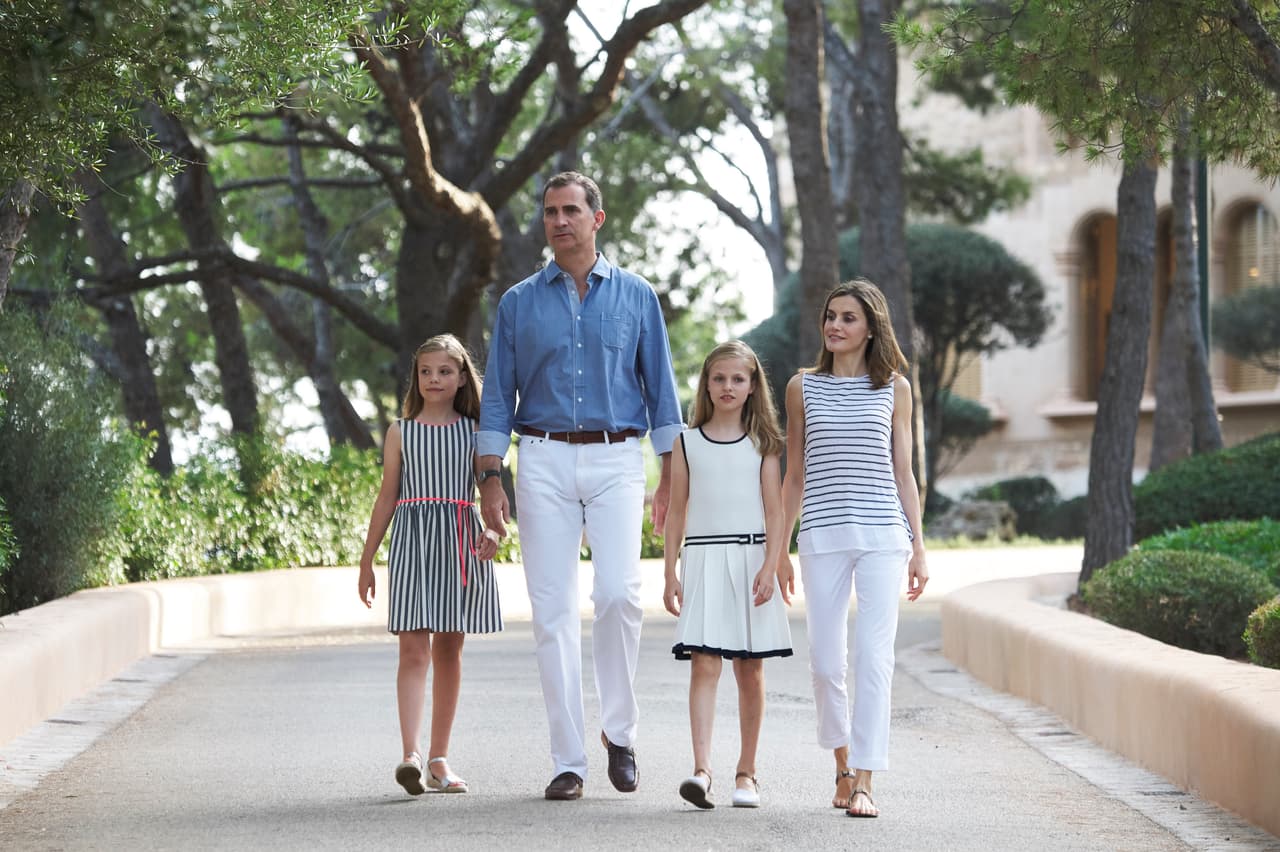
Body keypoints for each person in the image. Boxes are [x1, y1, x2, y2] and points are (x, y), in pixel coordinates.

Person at [477, 171, 684, 801]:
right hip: (540, 459)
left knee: (620, 595)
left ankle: (619, 734)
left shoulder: (637, 295)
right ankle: (569, 759)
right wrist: (491, 476)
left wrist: (669, 475)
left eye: (571, 210)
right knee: (553, 613)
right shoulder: (517, 302)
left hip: (619, 457)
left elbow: (663, 390)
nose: (559, 221)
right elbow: (495, 398)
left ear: (598, 218)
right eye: (549, 212)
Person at [777, 279, 929, 819]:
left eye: (848, 318)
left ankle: (866, 779)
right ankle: (840, 765)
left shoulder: (895, 389)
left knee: (873, 658)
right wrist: (779, 550)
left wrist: (919, 547)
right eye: (831, 316)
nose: (835, 326)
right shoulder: (802, 387)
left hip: (884, 537)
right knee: (824, 663)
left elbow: (904, 473)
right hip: (821, 536)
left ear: (871, 328)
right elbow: (793, 476)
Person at [359, 334, 503, 796]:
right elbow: (386, 498)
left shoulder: (477, 431)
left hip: (460, 541)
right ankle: (411, 756)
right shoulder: (401, 432)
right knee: (413, 650)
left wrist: (495, 533)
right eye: (426, 372)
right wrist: (367, 561)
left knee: (448, 651)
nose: (434, 379)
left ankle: (440, 758)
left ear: (461, 376)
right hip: (412, 544)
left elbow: (491, 495)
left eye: (444, 371)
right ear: (416, 378)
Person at [662, 340, 793, 811]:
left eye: (738, 379)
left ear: (753, 385)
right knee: (704, 662)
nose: (728, 387)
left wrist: (770, 565)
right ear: (706, 384)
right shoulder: (686, 442)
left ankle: (747, 772)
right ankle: (701, 770)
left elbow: (775, 513)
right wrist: (669, 572)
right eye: (719, 378)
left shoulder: (764, 444)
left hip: (750, 560)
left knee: (750, 669)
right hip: (703, 561)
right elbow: (676, 512)